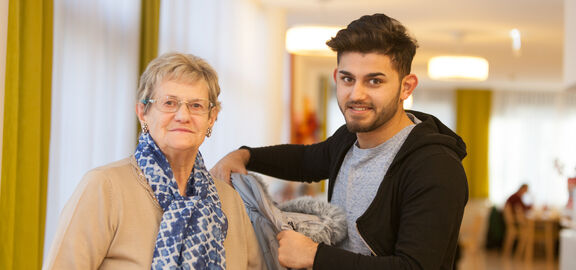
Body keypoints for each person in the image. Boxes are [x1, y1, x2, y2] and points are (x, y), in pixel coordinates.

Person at [211, 13, 468, 269]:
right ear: (336, 77)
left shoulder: (436, 167)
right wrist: (244, 155)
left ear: (406, 87)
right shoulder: (348, 139)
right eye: (348, 79)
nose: (356, 94)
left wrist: (315, 256)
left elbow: (414, 267)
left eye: (374, 81)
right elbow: (305, 160)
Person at [43, 52, 262, 269]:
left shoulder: (230, 201)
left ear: (211, 118)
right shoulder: (104, 187)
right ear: (142, 113)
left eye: (196, 105)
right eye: (169, 103)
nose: (183, 115)